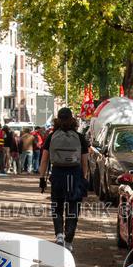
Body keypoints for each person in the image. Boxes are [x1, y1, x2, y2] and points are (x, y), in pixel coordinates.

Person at [39, 107, 89, 251]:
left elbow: (44, 160)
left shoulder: (51, 136)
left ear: (58, 119)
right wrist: (84, 178)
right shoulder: (79, 137)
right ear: (72, 119)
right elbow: (84, 161)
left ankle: (59, 234)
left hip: (58, 174)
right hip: (75, 175)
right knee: (73, 207)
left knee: (57, 206)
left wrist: (42, 178)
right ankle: (69, 240)